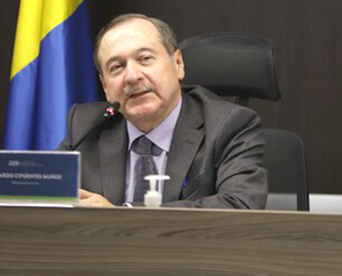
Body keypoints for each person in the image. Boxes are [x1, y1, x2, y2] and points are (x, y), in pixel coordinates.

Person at [57, 14, 267, 209]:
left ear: (178, 64)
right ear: (105, 86)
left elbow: (239, 205)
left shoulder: (229, 125)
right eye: (117, 67)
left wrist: (120, 217)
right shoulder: (86, 127)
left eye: (145, 58)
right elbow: (45, 195)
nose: (132, 76)